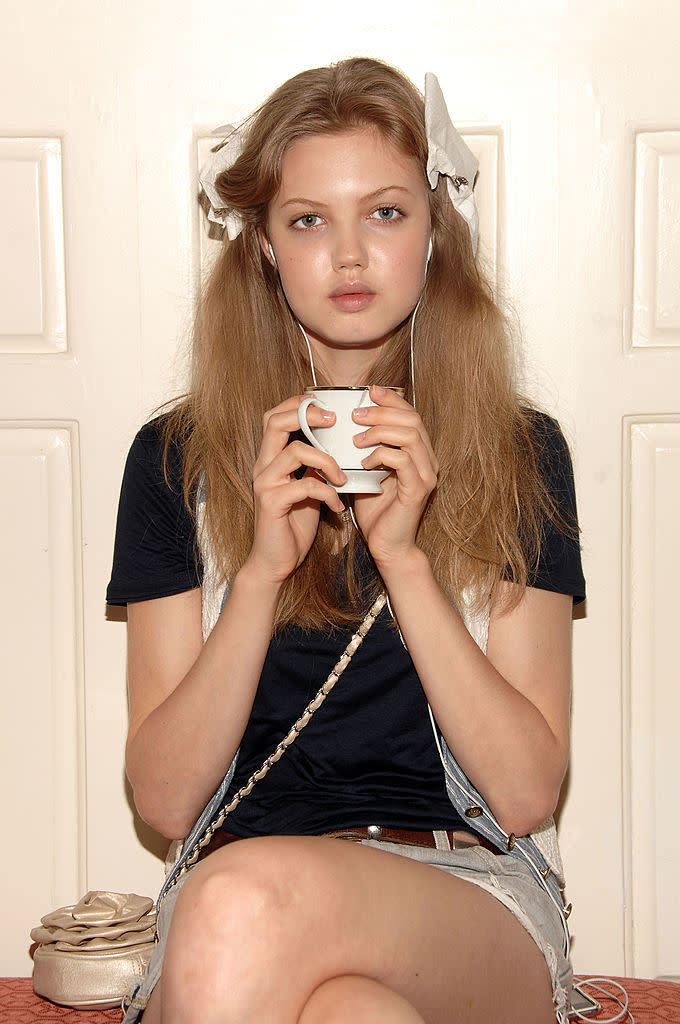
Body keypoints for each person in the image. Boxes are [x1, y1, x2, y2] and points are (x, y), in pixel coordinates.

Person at [107, 57, 585, 1024]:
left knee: (238, 905)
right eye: (309, 219)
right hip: (243, 893)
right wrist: (257, 576)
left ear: (435, 235)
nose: (352, 255)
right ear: (266, 248)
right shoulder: (177, 460)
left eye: (387, 213)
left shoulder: (518, 450)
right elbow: (163, 802)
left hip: (465, 895)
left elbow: (528, 792)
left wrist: (406, 559)